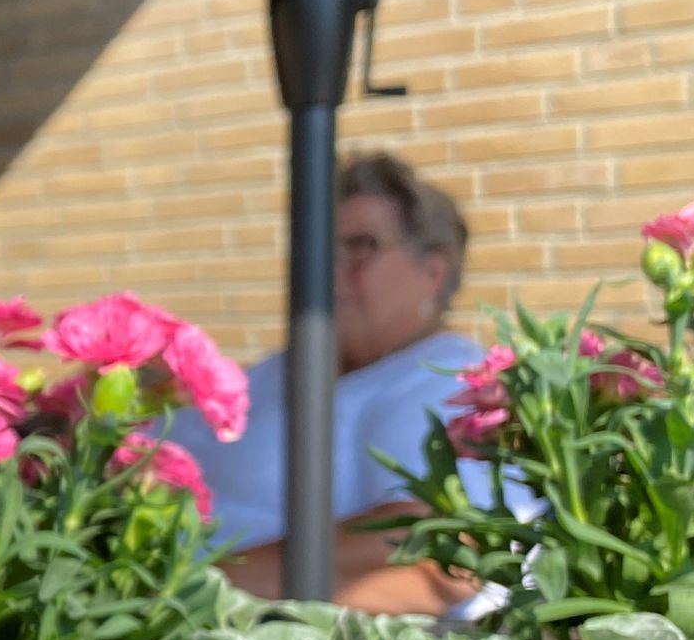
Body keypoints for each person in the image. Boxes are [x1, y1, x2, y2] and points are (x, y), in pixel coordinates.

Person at [161, 153, 481, 615]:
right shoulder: (293, 365)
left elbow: (440, 554)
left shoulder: (441, 379)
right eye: (319, 246)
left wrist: (193, 588)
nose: (328, 267)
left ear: (433, 271)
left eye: (361, 246)